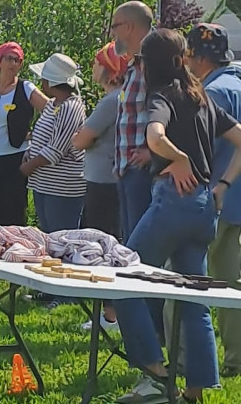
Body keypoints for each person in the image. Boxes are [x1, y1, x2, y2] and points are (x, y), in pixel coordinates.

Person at [113, 28, 241, 404]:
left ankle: (154, 370)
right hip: (205, 205)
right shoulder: (202, 98)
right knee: (192, 296)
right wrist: (223, 186)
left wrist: (177, 157)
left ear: (149, 63)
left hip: (173, 201)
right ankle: (195, 392)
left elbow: (154, 136)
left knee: (125, 280)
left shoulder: (162, 96)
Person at [184, 23, 241, 377]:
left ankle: (201, 362)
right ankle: (236, 356)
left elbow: (199, 152)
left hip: (218, 198)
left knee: (199, 282)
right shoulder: (236, 84)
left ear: (199, 58)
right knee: (232, 279)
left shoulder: (213, 93)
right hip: (237, 198)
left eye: (189, 55)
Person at [72, 42, 128, 332]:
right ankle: (110, 315)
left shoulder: (111, 101)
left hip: (104, 183)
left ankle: (111, 316)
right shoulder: (118, 98)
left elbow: (81, 138)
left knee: (104, 247)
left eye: (96, 62)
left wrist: (84, 137)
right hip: (105, 180)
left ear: (109, 68)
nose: (92, 67)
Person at [0, 42, 48, 226]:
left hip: (15, 157)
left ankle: (17, 249)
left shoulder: (26, 88)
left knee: (15, 209)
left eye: (17, 60)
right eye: (9, 58)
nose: (13, 64)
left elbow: (52, 111)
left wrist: (36, 134)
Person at [21, 53, 86, 233]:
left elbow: (56, 149)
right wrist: (29, 154)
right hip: (44, 183)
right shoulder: (52, 105)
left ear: (49, 82)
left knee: (61, 236)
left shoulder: (70, 107)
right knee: (50, 236)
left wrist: (29, 166)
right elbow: (42, 137)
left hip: (62, 187)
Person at [111, 0, 156, 241]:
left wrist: (152, 151)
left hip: (144, 170)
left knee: (141, 249)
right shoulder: (134, 65)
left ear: (128, 27)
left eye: (115, 26)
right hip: (127, 169)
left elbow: (174, 108)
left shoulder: (154, 62)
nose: (113, 33)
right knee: (130, 245)